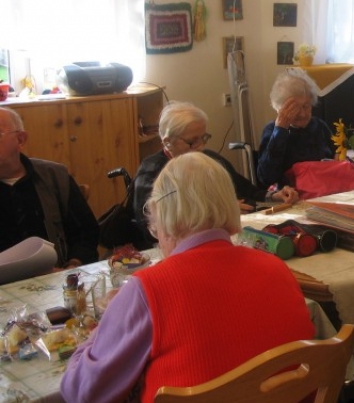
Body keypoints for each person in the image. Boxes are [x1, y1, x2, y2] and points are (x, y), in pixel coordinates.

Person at [61, 152, 315, 403]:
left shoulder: (149, 289)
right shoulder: (276, 268)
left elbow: (83, 393)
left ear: (162, 214)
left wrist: (105, 326)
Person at [133, 101, 298, 236]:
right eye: (192, 141)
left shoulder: (210, 159)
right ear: (167, 141)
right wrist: (220, 210)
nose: (201, 147)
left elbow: (246, 190)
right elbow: (149, 221)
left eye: (204, 138)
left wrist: (273, 196)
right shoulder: (152, 171)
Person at [0, 106, 98, 270]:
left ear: (21, 139)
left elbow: (86, 233)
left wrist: (72, 265)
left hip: (55, 278)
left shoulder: (54, 177)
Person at [256, 70, 334, 188]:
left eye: (306, 106)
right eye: (294, 108)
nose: (302, 114)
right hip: (291, 198)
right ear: (280, 109)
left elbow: (337, 158)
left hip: (326, 193)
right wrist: (280, 131)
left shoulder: (320, 126)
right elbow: (266, 178)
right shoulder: (271, 131)